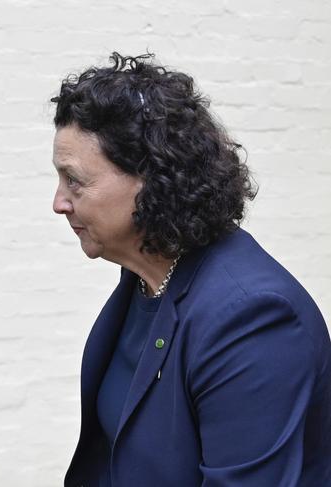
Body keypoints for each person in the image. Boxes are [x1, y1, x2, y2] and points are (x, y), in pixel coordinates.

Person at [50, 52, 331, 487]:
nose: (59, 202)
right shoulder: (146, 278)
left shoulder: (254, 317)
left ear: (149, 176)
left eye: (75, 181)